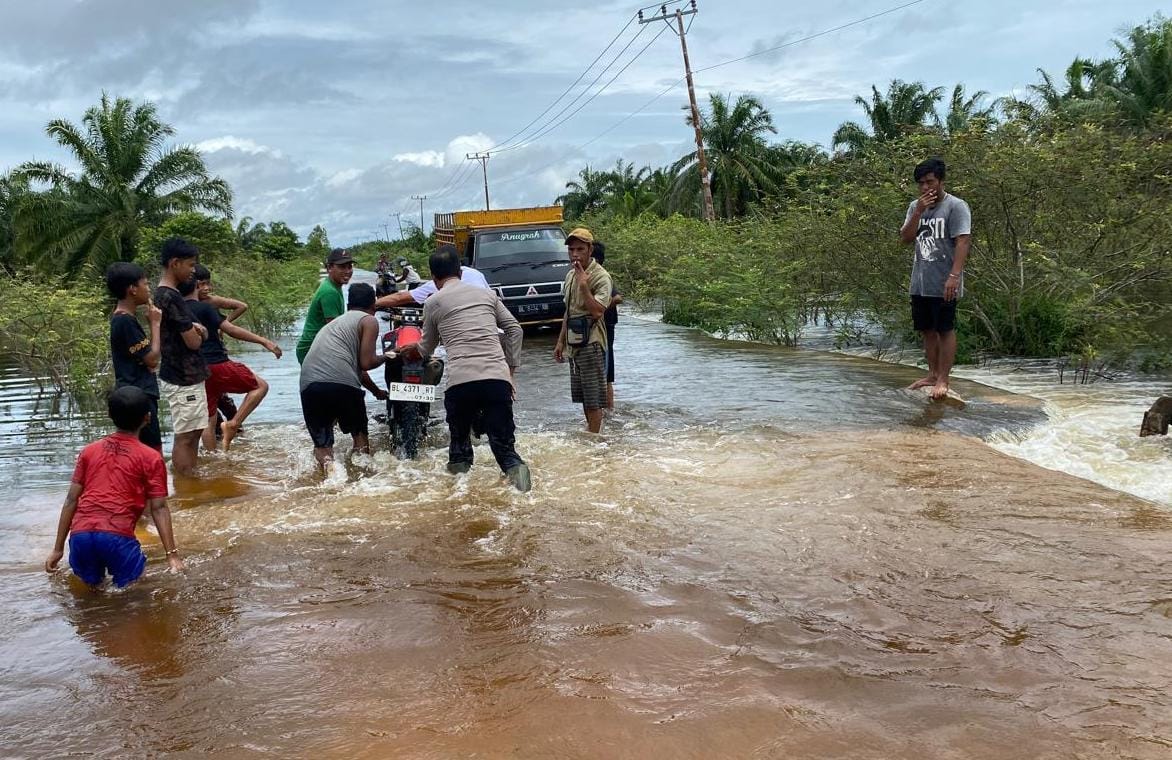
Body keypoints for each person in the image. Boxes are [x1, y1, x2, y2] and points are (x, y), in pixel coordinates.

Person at [406, 245, 530, 491]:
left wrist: (409, 350)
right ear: (460, 272)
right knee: (507, 453)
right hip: (497, 380)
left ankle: (459, 500)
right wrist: (510, 372)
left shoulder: (433, 302)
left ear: (433, 277)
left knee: (460, 451)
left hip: (460, 384)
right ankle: (526, 497)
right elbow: (515, 330)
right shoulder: (487, 296)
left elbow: (426, 348)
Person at [44, 386, 184, 588]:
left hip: (80, 536)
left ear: (109, 415)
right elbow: (159, 508)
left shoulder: (88, 451)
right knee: (132, 596)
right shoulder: (151, 458)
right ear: (147, 418)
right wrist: (172, 555)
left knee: (91, 596)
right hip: (117, 537)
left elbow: (71, 500)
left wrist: (57, 549)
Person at [184, 265, 282, 450]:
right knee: (261, 386)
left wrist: (221, 323)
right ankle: (233, 424)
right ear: (193, 285)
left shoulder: (178, 308)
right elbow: (232, 330)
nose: (206, 288)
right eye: (201, 284)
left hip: (197, 370)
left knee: (209, 419)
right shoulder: (206, 307)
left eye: (207, 283)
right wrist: (264, 341)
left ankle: (214, 461)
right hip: (217, 364)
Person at [899, 157, 972, 400]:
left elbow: (963, 241)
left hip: (945, 280)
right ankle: (931, 374)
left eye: (929, 182)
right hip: (920, 280)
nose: (925, 188)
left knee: (945, 329)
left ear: (941, 181)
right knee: (927, 330)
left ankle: (943, 379)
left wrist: (954, 276)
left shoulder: (956, 206)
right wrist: (918, 211)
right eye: (920, 183)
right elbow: (906, 238)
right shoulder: (915, 207)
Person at [299, 283, 389, 468]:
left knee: (323, 443)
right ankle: (362, 476)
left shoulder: (335, 325)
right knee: (359, 434)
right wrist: (388, 355)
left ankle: (331, 479)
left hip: (309, 385)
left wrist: (376, 391)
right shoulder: (368, 320)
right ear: (374, 305)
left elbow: (354, 369)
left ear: (348, 306)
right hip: (342, 385)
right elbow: (366, 363)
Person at [153, 237, 209, 476]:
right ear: (174, 263)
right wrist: (201, 332)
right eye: (189, 265)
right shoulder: (170, 297)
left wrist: (198, 330)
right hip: (182, 376)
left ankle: (190, 481)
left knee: (194, 430)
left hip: (184, 374)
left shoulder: (166, 295)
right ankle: (187, 485)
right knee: (187, 434)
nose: (192, 271)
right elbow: (194, 340)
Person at [554, 227, 611, 433]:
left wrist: (584, 286)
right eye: (571, 250)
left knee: (594, 399)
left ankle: (596, 441)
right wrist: (560, 342)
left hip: (592, 343)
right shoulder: (570, 275)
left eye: (580, 249)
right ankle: (591, 436)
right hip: (573, 343)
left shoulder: (600, 277)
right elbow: (568, 312)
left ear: (590, 250)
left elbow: (597, 312)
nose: (575, 254)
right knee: (583, 397)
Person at [106, 262, 163, 451]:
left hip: (130, 394)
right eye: (145, 284)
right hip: (138, 396)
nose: (148, 289)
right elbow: (152, 359)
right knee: (152, 452)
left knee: (135, 451)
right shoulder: (125, 321)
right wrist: (155, 324)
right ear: (132, 289)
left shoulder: (123, 319)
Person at [373, 247, 490, 309]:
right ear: (460, 270)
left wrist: (374, 304)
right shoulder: (476, 274)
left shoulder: (434, 293)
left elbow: (400, 298)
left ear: (433, 277)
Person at [296, 248, 353, 364]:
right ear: (329, 268)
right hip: (312, 348)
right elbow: (335, 331)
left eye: (350, 266)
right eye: (342, 267)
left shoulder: (334, 286)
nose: (347, 271)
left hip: (318, 346)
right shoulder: (329, 292)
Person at [591, 241, 623, 411]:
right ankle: (607, 413)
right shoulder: (583, 276)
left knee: (605, 373)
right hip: (597, 328)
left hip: (605, 327)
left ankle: (608, 411)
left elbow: (618, 298)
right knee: (602, 373)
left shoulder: (601, 276)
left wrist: (601, 307)